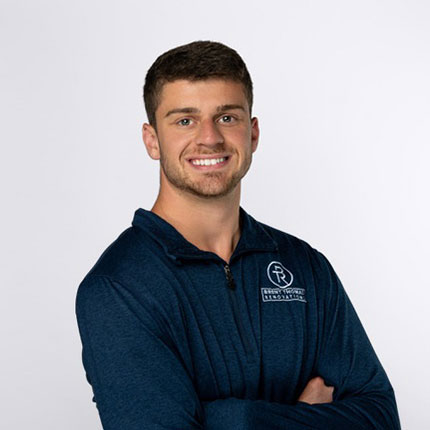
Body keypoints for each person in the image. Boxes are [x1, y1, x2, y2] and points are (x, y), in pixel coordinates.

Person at [75, 40, 401, 429]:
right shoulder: (118, 289)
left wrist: (238, 419)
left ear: (253, 132)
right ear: (151, 140)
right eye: (185, 120)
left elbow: (381, 416)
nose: (210, 138)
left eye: (227, 117)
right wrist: (306, 417)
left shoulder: (306, 267)